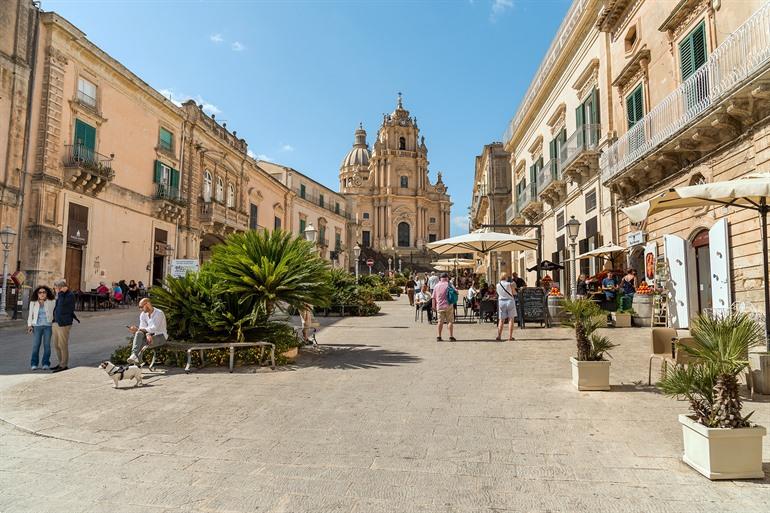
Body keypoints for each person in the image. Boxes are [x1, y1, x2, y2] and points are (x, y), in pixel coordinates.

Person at [127, 298, 168, 364]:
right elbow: (142, 327)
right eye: (139, 307)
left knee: (142, 341)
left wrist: (146, 333)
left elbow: (154, 328)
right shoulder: (143, 314)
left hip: (160, 336)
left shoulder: (159, 313)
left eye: (141, 307)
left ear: (147, 304)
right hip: (149, 336)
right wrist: (138, 330)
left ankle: (137, 361)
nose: (140, 309)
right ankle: (134, 355)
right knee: (138, 333)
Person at [51, 279, 78, 372]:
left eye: (56, 288)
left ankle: (64, 365)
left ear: (61, 288)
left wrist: (61, 293)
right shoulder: (60, 295)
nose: (55, 290)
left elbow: (62, 306)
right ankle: (60, 363)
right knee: (56, 345)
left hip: (64, 323)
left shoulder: (70, 295)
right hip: (56, 322)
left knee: (62, 345)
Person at [27, 285, 55, 370]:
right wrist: (29, 325)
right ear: (37, 294)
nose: (42, 294)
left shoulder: (52, 301)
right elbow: (30, 314)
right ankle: (34, 364)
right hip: (37, 326)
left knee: (47, 345)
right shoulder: (33, 302)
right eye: (40, 292)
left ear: (47, 293)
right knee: (36, 345)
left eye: (44, 292)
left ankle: (46, 363)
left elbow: (55, 311)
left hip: (48, 326)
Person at [432, 273, 456, 342]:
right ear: (447, 278)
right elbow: (456, 292)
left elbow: (433, 297)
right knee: (450, 321)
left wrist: (433, 306)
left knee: (440, 322)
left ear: (440, 278)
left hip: (439, 306)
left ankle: (439, 336)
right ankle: (451, 336)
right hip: (449, 305)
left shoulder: (436, 286)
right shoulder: (449, 285)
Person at [495, 273, 517, 341]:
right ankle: (510, 336)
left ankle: (499, 336)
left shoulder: (497, 285)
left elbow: (498, 293)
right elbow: (514, 293)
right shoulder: (509, 284)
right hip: (510, 301)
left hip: (501, 302)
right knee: (511, 319)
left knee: (501, 320)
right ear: (506, 277)